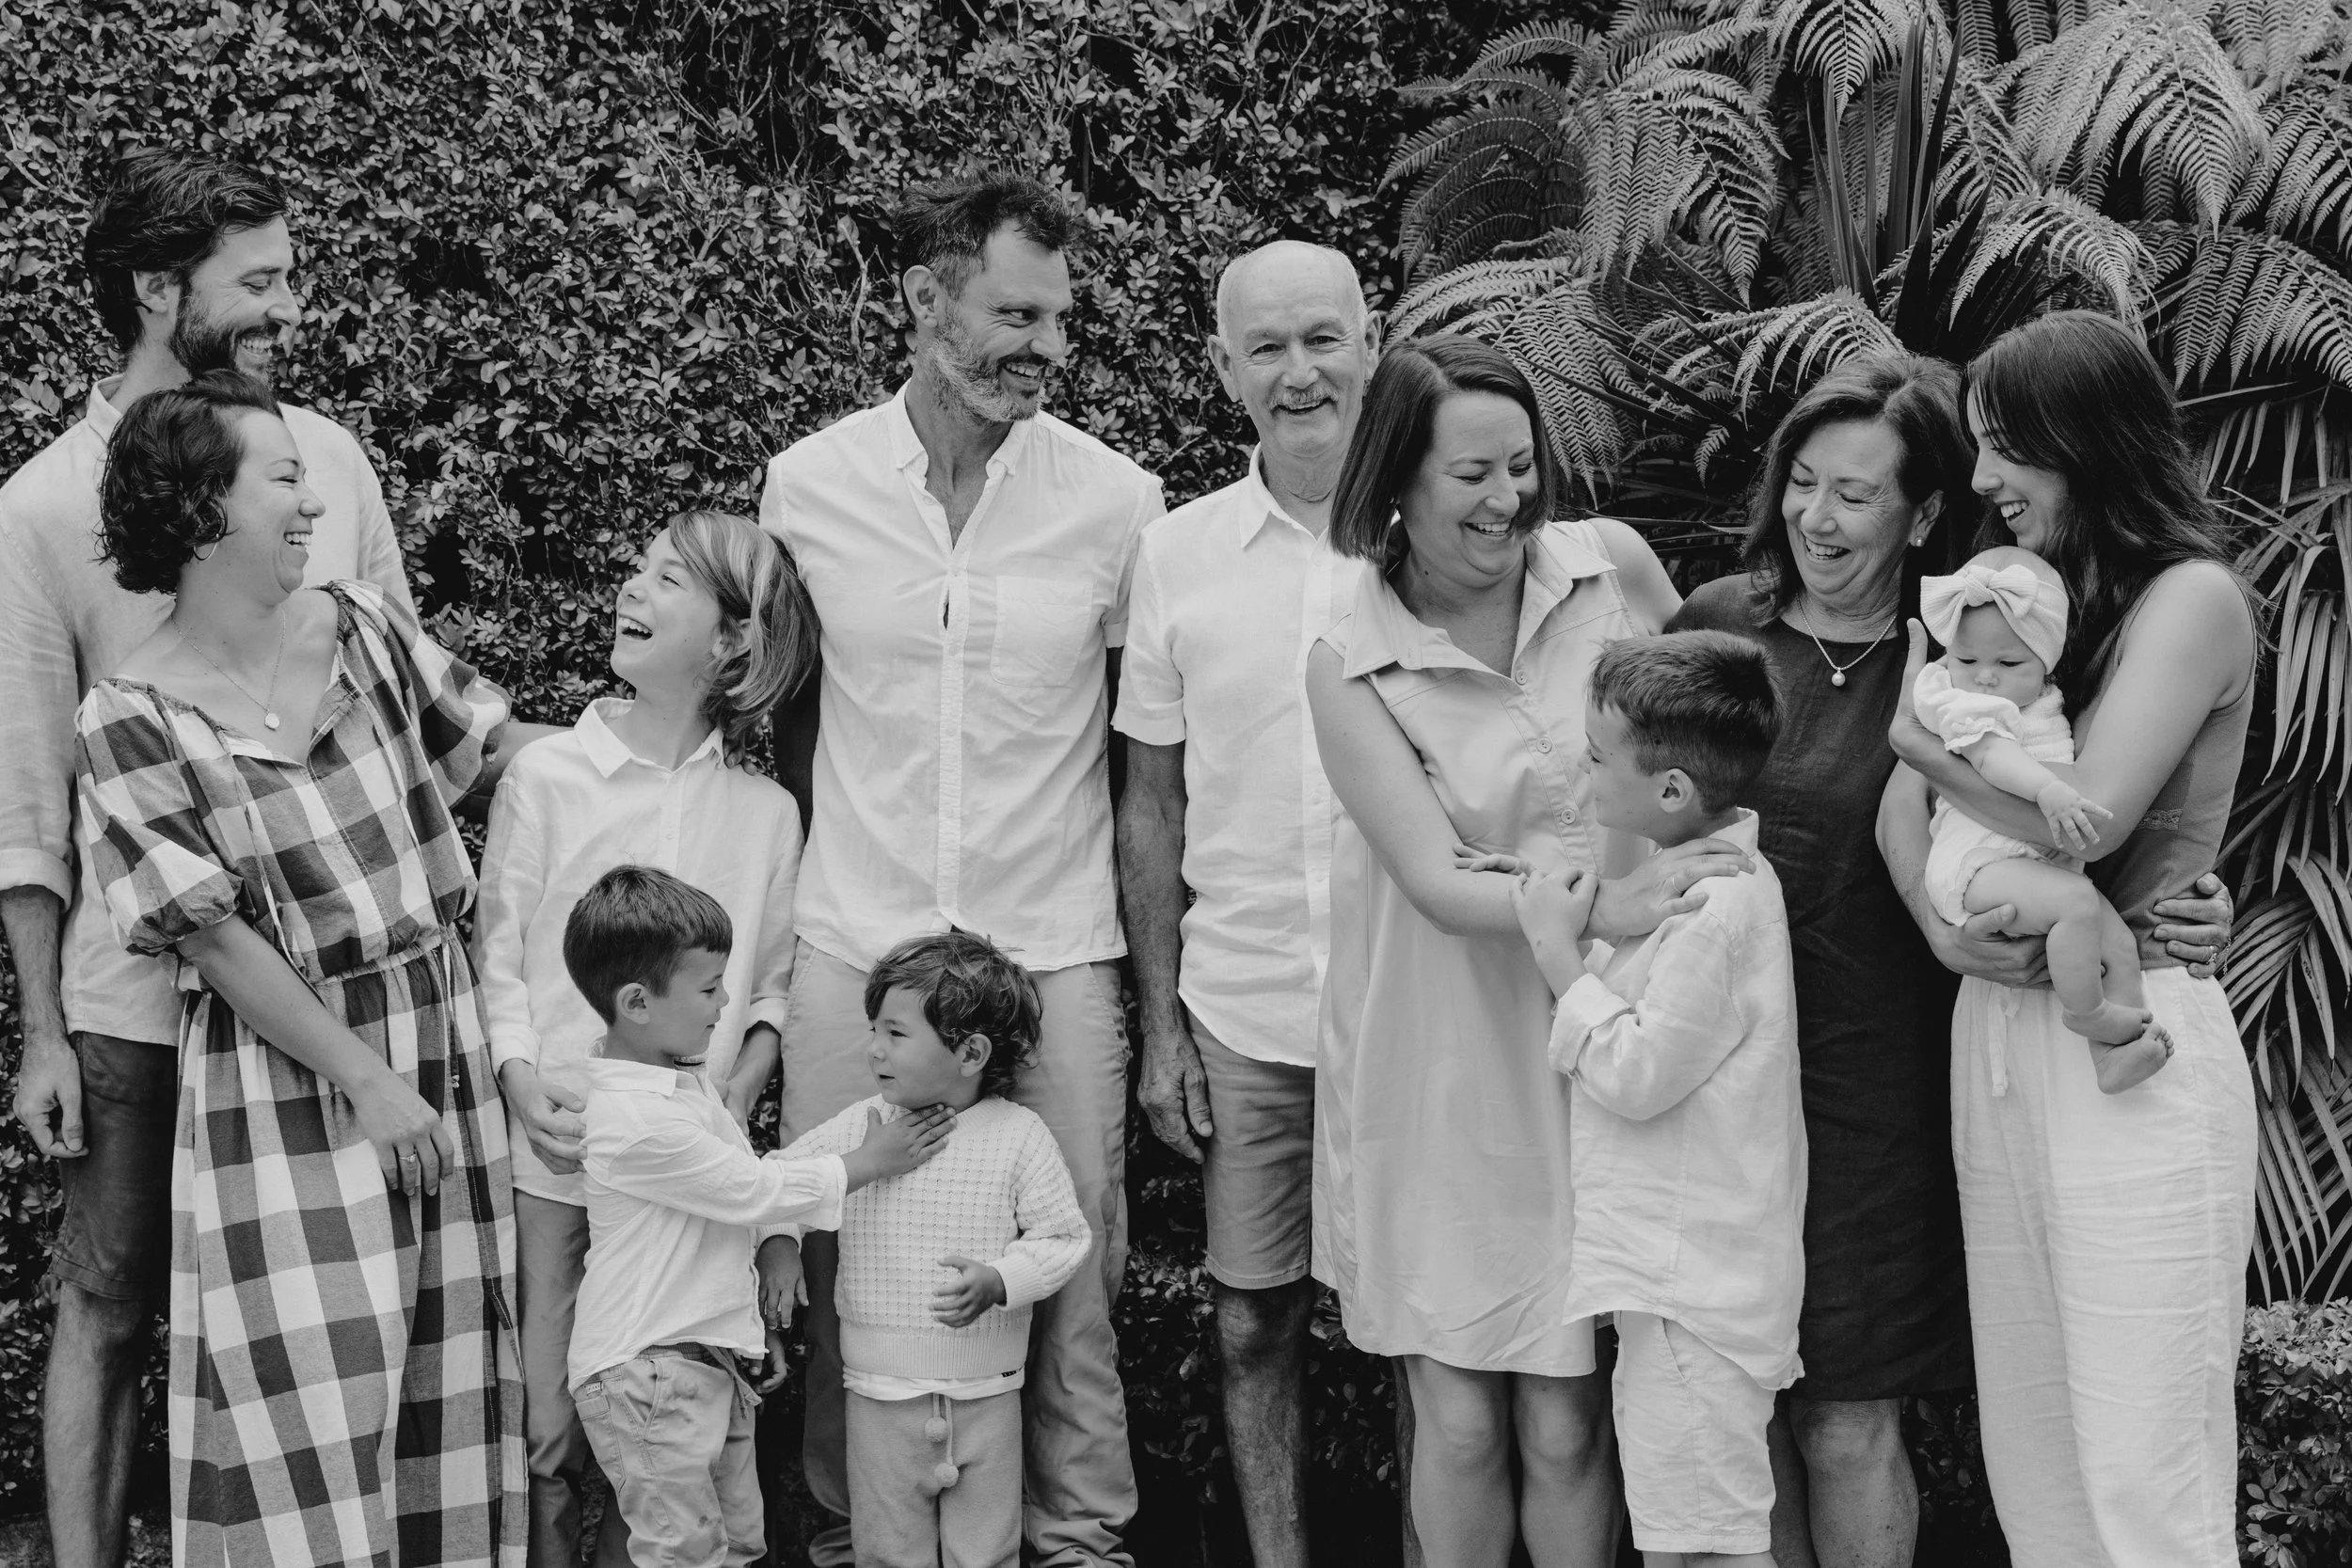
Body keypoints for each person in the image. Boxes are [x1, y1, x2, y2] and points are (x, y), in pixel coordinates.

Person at [1667, 350, 2232, 1568]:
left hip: (1920, 1075)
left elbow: (2096, 809)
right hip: (1770, 1064)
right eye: (1803, 482)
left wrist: (2174, 900)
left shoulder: (2015, 643)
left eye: (1857, 492)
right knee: (1984, 1449)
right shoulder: (1744, 625)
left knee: (2050, 1445)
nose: (1819, 514)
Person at [0, 149, 414, 1568]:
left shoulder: (327, 461)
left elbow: (409, 702)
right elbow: (26, 791)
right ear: (155, 288)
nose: (291, 308)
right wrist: (42, 1028)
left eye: (291, 276)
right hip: (139, 992)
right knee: (111, 1294)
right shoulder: (43, 509)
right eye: (260, 281)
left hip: (323, 983)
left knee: (321, 1299)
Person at [757, 171, 1161, 1567]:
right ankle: (849, 1534)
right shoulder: (808, 486)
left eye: (1059, 319)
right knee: (835, 1248)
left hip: (1049, 937)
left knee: (1078, 1263)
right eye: (1014, 313)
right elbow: (794, 711)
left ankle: (1078, 1540)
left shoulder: (1117, 501)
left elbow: (1141, 753)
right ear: (924, 301)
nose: (1045, 347)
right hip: (855, 937)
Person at [1306, 334, 1746, 1568]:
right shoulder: (1349, 659)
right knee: (1453, 1414)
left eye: (1521, 466)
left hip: (1605, 1039)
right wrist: (1615, 906)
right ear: (1395, 480)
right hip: (1446, 1056)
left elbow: (1717, 744)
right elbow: (1441, 882)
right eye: (1471, 475)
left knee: (1565, 1415)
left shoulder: (1612, 572)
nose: (1508, 499)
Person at [72, 372, 521, 1566]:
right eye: (281, 475)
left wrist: (665, 763)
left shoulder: (364, 628)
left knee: (446, 1386)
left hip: (440, 1029)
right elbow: (213, 940)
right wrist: (368, 1080)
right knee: (310, 1392)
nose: (311, 501)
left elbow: (496, 752)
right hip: (284, 1075)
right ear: (199, 506)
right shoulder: (128, 716)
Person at [1880, 310, 2259, 1567]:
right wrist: (1944, 931)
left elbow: (2085, 823)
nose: (1982, 481)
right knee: (2038, 1459)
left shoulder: (2191, 595)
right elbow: (1899, 813)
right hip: (2000, 1030)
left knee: (2146, 1471)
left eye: (2004, 448)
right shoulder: (2030, 597)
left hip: (2133, 1033)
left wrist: (1924, 739)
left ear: (2083, 441)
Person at [471, 510, 817, 1567]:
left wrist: (733, 1099)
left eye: (667, 578)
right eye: (636, 566)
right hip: (560, 1157)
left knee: (680, 1429)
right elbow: (496, 955)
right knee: (546, 1425)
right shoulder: (546, 779)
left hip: (690, 1181)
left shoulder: (763, 814)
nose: (631, 586)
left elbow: (769, 992)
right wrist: (522, 1080)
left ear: (731, 641)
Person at [1113, 238, 1379, 1567]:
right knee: (1250, 1316)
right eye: (1267, 346)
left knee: (1435, 1313)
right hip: (1249, 998)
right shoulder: (1175, 555)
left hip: (1418, 1003)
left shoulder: (1443, 530)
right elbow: (1150, 804)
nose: (1300, 371)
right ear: (1223, 370)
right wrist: (1161, 1027)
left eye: (1322, 337)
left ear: (1370, 341)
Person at [561, 866, 950, 1568]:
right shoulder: (635, 1120)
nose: (725, 1001)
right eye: (709, 988)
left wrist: (756, 1302)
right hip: (647, 1372)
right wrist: (868, 1161)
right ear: (637, 1002)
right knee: (684, 1555)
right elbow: (747, 1186)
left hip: (705, 1360)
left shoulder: (685, 1086)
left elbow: (737, 1206)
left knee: (741, 1544)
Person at [1512, 630, 1802, 1568]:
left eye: (1599, 760)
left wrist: (1558, 952)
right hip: (1680, 1283)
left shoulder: (1714, 907)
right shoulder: (1689, 884)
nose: (1587, 778)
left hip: (1693, 1289)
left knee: (1704, 1549)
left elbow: (1638, 1074)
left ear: (1670, 790)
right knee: (1688, 1540)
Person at [765, 930, 1091, 1568]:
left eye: (894, 1033)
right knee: (887, 1553)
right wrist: (779, 1239)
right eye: (874, 1029)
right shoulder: (864, 1125)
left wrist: (1000, 1278)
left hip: (988, 1394)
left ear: (970, 1051)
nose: (873, 1048)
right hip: (879, 1397)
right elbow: (781, 1181)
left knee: (987, 1554)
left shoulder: (1017, 1135)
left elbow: (1063, 1235)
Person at [1911, 546, 2169, 1092]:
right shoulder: (1958, 702)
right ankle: (2086, 1014)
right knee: (2076, 906)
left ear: (2046, 660)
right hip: (1979, 863)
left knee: (2117, 942)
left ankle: (2114, 1057)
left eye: (2008, 664)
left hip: (2026, 862)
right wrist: (2050, 791)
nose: (1983, 678)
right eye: (1966, 660)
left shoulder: (2042, 699)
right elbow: (1990, 757)